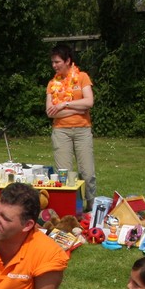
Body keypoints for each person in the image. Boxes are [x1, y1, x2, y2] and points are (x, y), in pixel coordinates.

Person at [45, 44, 95, 209]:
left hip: (82, 130)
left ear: (67, 61)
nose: (54, 65)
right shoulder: (52, 83)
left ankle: (90, 206)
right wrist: (77, 109)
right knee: (63, 175)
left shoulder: (82, 77)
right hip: (61, 131)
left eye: (57, 62)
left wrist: (64, 105)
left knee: (87, 173)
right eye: (52, 62)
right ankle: (70, 208)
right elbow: (50, 113)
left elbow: (89, 102)